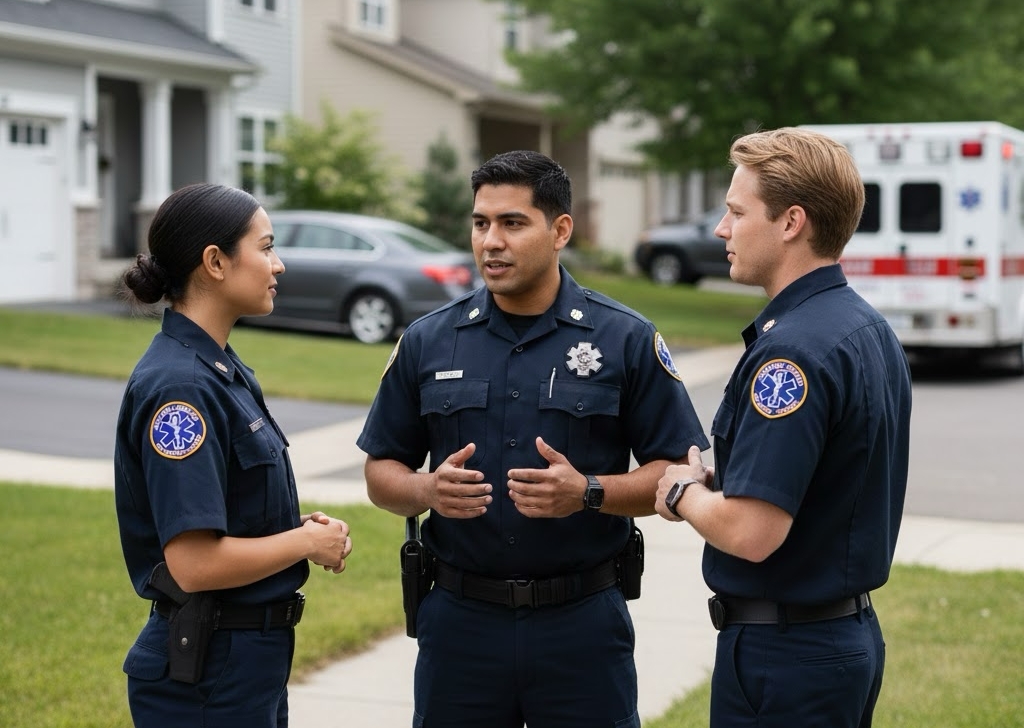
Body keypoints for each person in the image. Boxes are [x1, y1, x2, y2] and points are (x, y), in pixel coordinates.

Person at [356, 149, 709, 727]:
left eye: (512, 223)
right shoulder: (429, 340)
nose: (490, 241)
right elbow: (380, 472)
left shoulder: (624, 339)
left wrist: (589, 491)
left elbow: (679, 472)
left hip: (582, 628)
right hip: (460, 628)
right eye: (480, 223)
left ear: (560, 229)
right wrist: (425, 491)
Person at [655, 128, 912, 727]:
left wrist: (681, 491)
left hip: (787, 654)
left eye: (737, 211)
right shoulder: (864, 328)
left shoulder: (791, 353)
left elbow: (752, 532)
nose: (722, 228)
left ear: (791, 221)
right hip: (835, 639)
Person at [114, 183, 353, 727]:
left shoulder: (219, 368)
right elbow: (194, 565)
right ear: (216, 262)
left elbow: (227, 517)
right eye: (266, 247)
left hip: (244, 664)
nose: (280, 264)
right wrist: (304, 542)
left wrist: (294, 530)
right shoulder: (182, 390)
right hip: (207, 674)